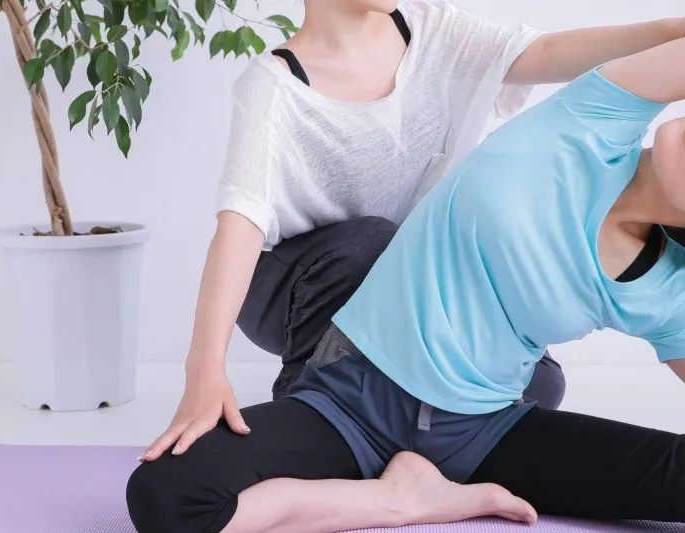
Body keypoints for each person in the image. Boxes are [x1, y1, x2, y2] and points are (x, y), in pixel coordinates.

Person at [127, 34, 685, 533]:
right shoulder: (594, 117)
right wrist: (205, 367)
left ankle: (423, 488)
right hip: (349, 403)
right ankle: (402, 500)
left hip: (483, 433)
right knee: (168, 493)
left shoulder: (669, 292)